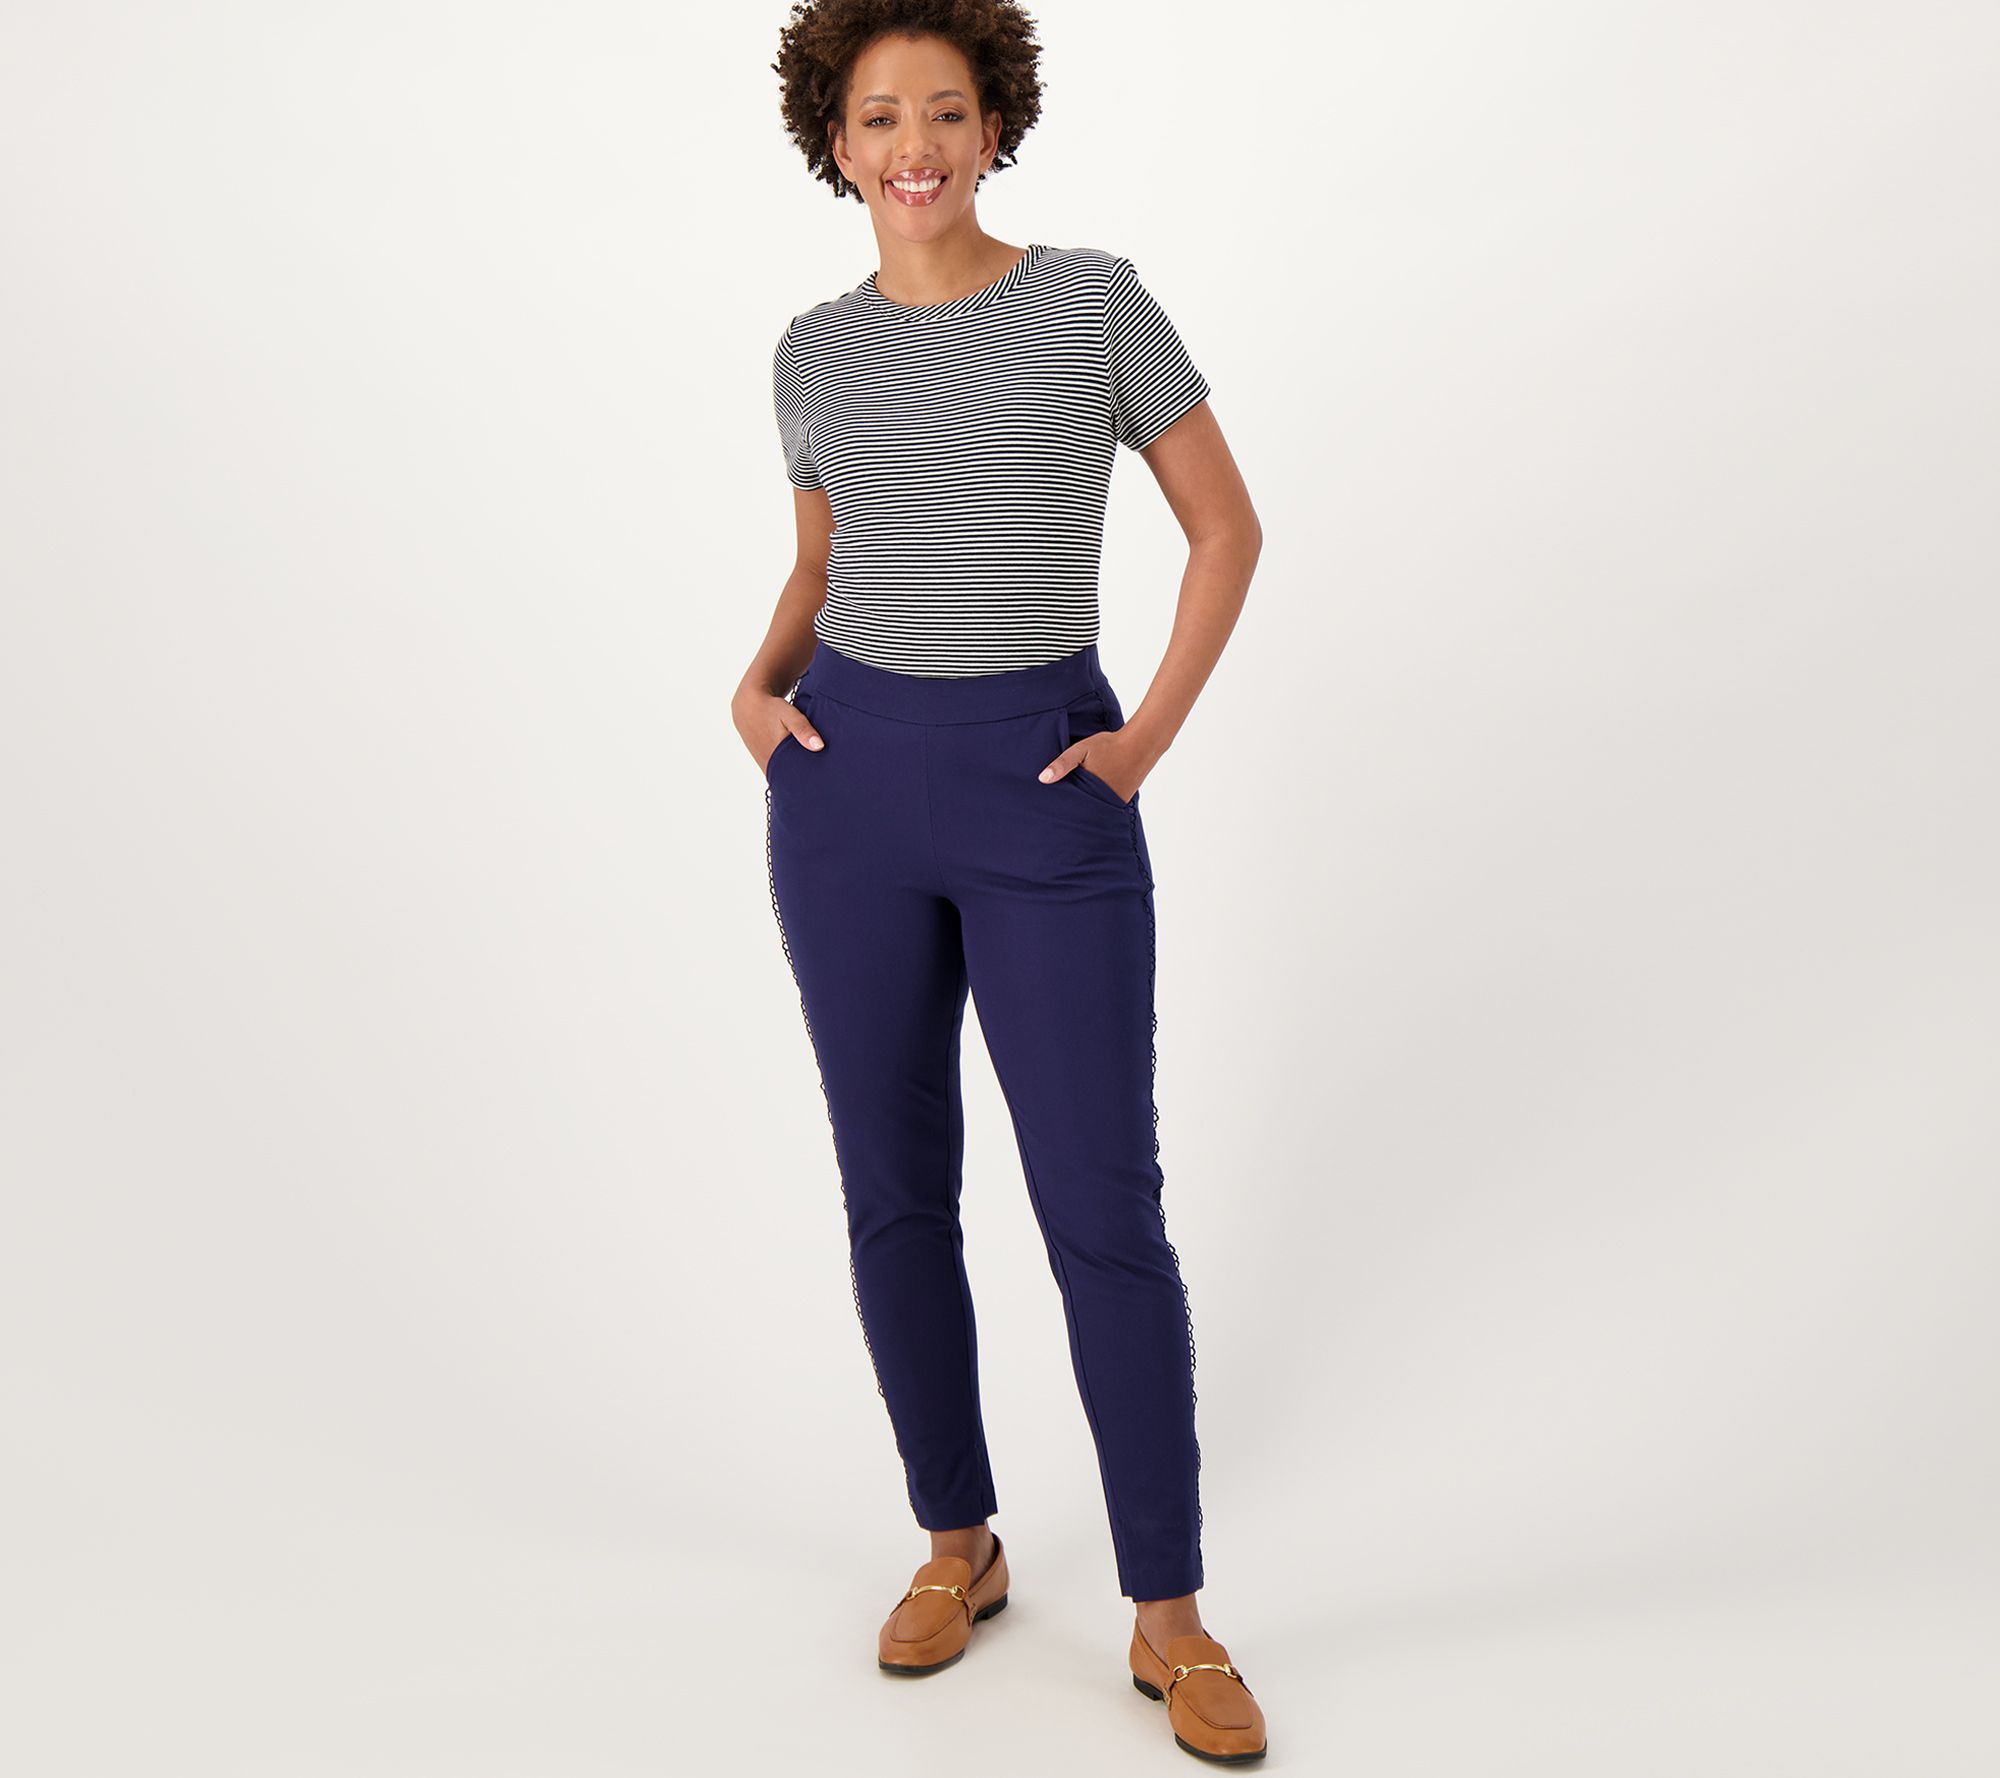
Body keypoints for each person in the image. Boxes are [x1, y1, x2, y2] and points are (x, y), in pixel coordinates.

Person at [733, 3, 1267, 1761]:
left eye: (946, 111)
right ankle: (955, 1540)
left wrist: (1142, 741)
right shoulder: (813, 350)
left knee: (1103, 1206)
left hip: (1047, 785)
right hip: (847, 792)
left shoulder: (1096, 303)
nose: (916, 146)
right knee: (895, 1189)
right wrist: (756, 689)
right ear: (836, 143)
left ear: (993, 125)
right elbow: (825, 559)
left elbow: (1225, 527)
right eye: (882, 117)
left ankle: (1171, 1613)